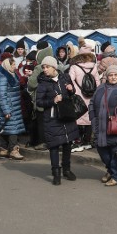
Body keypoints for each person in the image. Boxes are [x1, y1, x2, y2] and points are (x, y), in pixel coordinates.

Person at [35, 56, 80, 185]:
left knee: (67, 143)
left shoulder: (64, 77)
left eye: (47, 67)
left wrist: (71, 90)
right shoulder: (43, 83)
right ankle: (56, 173)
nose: (44, 69)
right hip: (52, 118)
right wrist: (52, 101)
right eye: (43, 67)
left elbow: (72, 93)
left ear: (54, 67)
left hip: (67, 115)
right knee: (54, 145)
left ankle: (67, 169)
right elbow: (39, 102)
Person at [67, 38, 99, 152]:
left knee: (78, 118)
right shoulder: (94, 66)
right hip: (91, 96)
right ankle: (87, 141)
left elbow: (69, 80)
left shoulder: (74, 66)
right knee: (89, 118)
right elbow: (97, 82)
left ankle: (78, 141)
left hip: (78, 97)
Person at [0, 57, 26, 160]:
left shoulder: (12, 75)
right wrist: (6, 110)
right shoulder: (3, 77)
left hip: (13, 106)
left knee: (6, 128)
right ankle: (13, 150)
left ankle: (3, 149)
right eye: (13, 65)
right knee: (13, 129)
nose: (15, 67)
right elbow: (1, 95)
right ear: (8, 66)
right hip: (9, 107)